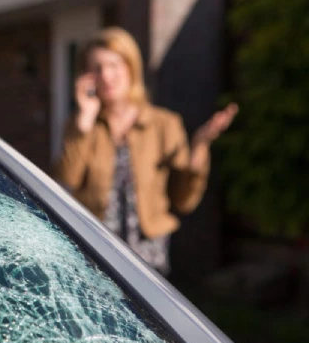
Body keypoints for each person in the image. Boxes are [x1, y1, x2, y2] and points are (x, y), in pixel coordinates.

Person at [54, 27, 238, 275]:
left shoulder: (164, 124)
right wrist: (83, 124)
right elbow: (65, 183)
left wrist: (200, 146)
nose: (106, 76)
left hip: (149, 257)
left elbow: (184, 200)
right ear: (87, 76)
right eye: (96, 68)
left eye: (114, 65)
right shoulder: (81, 125)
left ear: (130, 67)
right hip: (94, 251)